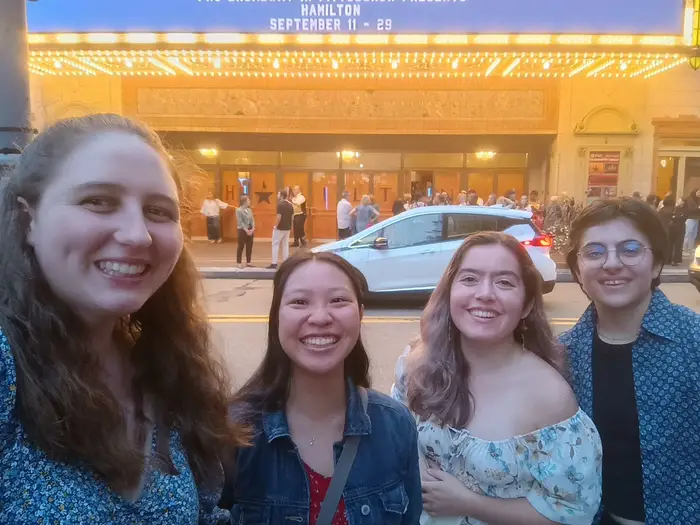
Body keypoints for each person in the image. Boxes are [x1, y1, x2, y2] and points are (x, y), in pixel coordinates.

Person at [0, 114, 246, 523]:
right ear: (29, 221)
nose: (137, 234)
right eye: (98, 201)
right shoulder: (8, 364)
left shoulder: (164, 372)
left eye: (157, 210)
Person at [392, 231, 602, 525]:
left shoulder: (550, 397)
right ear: (449, 291)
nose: (485, 293)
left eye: (504, 282)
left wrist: (470, 503)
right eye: (469, 279)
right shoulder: (416, 364)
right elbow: (395, 444)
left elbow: (573, 513)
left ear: (527, 305)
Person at [221, 251, 422, 524]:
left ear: (360, 314)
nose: (320, 317)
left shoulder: (396, 425)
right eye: (300, 301)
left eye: (338, 300)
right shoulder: (234, 431)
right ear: (277, 318)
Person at [562, 197, 700, 525]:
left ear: (656, 264)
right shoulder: (562, 354)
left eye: (630, 249)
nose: (611, 263)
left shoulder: (694, 341)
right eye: (594, 252)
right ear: (578, 270)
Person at [270, 188, 294, 269]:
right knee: (285, 245)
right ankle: (285, 262)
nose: (277, 195)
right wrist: (291, 227)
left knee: (275, 244)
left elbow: (279, 216)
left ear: (281, 196)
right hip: (287, 228)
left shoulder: (280, 204)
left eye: (278, 194)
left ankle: (274, 263)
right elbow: (292, 217)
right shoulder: (290, 205)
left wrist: (275, 226)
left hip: (280, 228)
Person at [235, 195, 255, 269]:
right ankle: (239, 262)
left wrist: (253, 228)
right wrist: (246, 230)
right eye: (248, 200)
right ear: (244, 202)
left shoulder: (249, 210)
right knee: (241, 246)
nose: (249, 202)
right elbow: (240, 222)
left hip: (250, 230)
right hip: (242, 231)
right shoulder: (238, 210)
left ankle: (248, 262)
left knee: (249, 247)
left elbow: (252, 220)